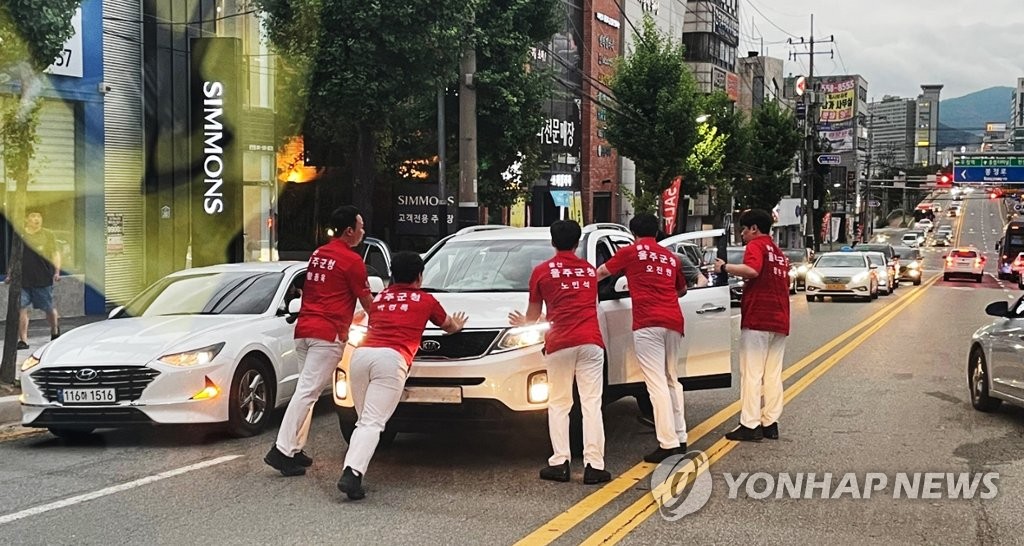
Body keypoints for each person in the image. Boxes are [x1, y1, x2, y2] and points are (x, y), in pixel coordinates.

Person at [338, 252, 468, 499]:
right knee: (373, 422)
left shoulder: (381, 298)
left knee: (364, 420)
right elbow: (448, 326)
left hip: (362, 356)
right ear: (419, 276)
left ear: (392, 276)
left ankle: (352, 469)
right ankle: (352, 473)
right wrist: (458, 325)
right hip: (391, 359)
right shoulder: (425, 300)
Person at [266, 205, 373, 476]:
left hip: (304, 330)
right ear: (349, 231)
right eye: (360, 227)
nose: (363, 231)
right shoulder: (351, 261)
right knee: (307, 392)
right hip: (328, 335)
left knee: (307, 391)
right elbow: (367, 301)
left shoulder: (318, 254)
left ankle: (293, 449)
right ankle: (281, 450)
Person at [508, 220, 612, 485]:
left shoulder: (541, 272)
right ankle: (594, 466)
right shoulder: (588, 271)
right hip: (591, 341)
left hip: (559, 343)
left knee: (559, 403)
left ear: (552, 242)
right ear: (577, 243)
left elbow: (535, 315)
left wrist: (526, 322)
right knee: (591, 404)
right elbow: (579, 306)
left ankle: (560, 462)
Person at [596, 213, 688, 463]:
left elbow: (602, 273)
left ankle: (667, 443)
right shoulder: (671, 257)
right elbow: (682, 289)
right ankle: (680, 437)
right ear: (657, 233)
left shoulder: (631, 252)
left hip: (647, 323)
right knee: (671, 380)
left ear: (633, 233)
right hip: (674, 321)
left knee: (655, 382)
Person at [714, 209, 791, 442]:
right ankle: (770, 422)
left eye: (744, 230)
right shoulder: (778, 253)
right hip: (779, 319)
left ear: (754, 229)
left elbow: (752, 270)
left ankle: (750, 424)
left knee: (752, 373)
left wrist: (724, 267)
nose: (743, 235)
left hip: (758, 317)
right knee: (772, 374)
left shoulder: (756, 246)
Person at [6, 210, 62, 350]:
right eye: (33, 216)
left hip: (42, 278)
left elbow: (55, 253)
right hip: (23, 279)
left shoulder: (48, 235)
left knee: (48, 309)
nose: (36, 219)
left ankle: (54, 329)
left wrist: (57, 271)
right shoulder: (20, 234)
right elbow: (14, 255)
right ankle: (23, 340)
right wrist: (10, 273)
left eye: (39, 216)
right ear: (26, 220)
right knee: (21, 308)